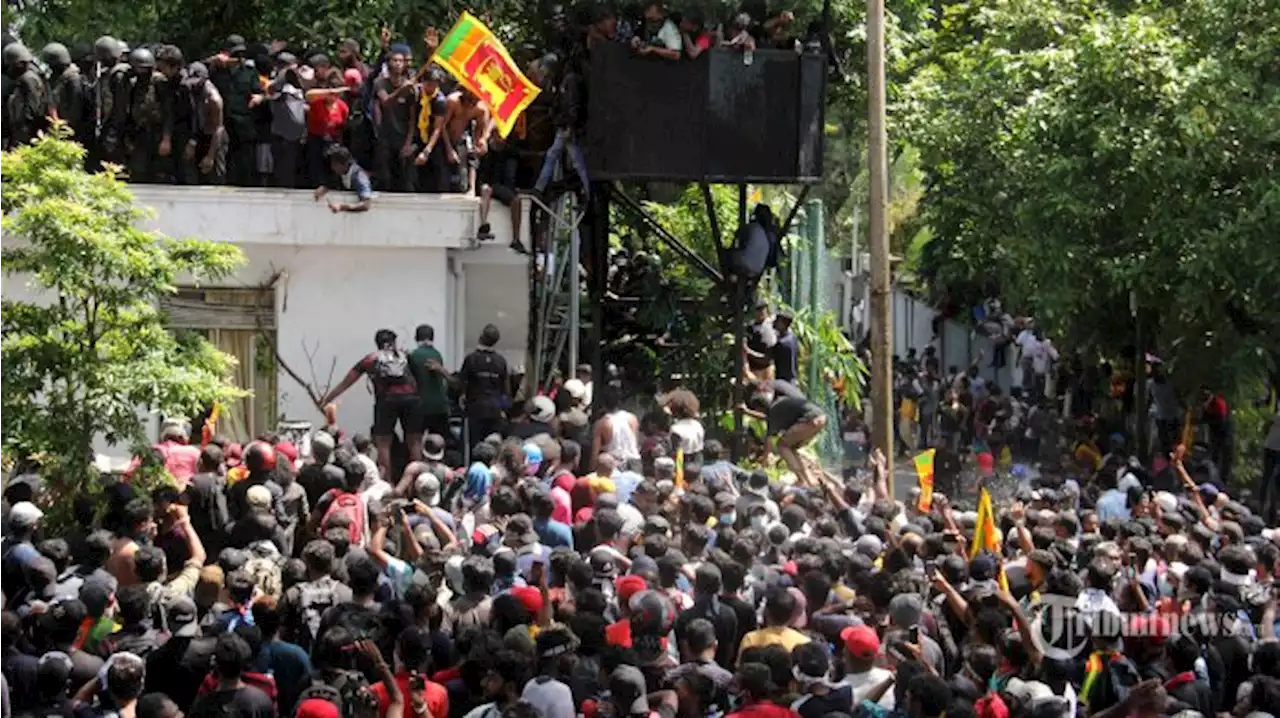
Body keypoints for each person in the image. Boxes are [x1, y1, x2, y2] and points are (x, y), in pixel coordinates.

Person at [320, 329, 423, 478]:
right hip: (411, 400)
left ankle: (386, 482)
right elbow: (420, 382)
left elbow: (346, 382)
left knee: (383, 444)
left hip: (387, 401)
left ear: (377, 343)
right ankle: (417, 480)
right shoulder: (405, 356)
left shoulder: (371, 359)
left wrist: (327, 399)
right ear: (394, 342)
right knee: (414, 443)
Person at [458, 325, 510, 450]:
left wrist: (442, 371)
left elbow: (460, 383)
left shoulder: (471, 359)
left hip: (476, 409)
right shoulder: (501, 361)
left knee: (474, 446)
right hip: (495, 410)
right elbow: (506, 390)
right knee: (492, 446)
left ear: (481, 336)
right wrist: (504, 409)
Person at [409, 324, 451, 441]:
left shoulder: (413, 355)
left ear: (416, 338)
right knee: (439, 440)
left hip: (420, 405)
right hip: (440, 406)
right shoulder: (437, 354)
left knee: (415, 441)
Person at [314, 144, 373, 213]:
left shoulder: (359, 177)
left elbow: (366, 204)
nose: (332, 167)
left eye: (335, 164)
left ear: (344, 163)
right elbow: (334, 183)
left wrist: (342, 207)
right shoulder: (341, 174)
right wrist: (325, 188)